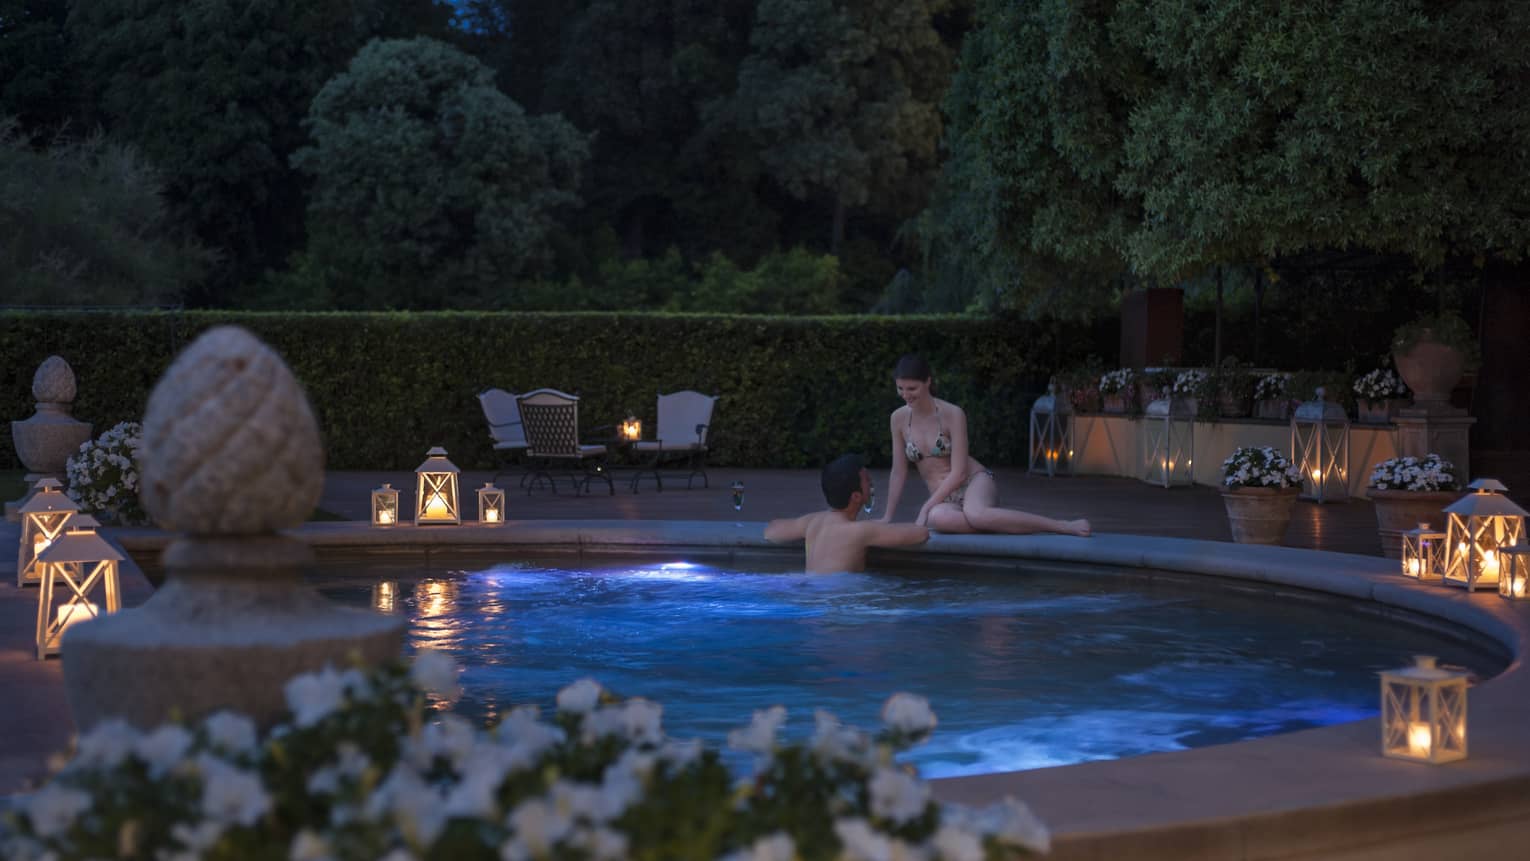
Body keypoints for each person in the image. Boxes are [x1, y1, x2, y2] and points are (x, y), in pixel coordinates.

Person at [878, 355, 1092, 537]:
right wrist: (887, 516)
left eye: (912, 388)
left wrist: (924, 507)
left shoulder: (952, 413)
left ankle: (1061, 526)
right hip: (943, 498)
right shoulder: (898, 419)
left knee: (975, 514)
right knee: (939, 519)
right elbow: (898, 471)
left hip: (973, 481)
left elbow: (960, 472)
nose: (906, 395)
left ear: (928, 382)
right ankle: (994, 522)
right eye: (900, 388)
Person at [764, 453, 929, 573]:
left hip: (809, 590)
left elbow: (771, 530)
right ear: (856, 496)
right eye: (866, 480)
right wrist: (926, 510)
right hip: (838, 597)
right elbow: (920, 534)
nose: (871, 482)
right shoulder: (861, 531)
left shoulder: (812, 521)